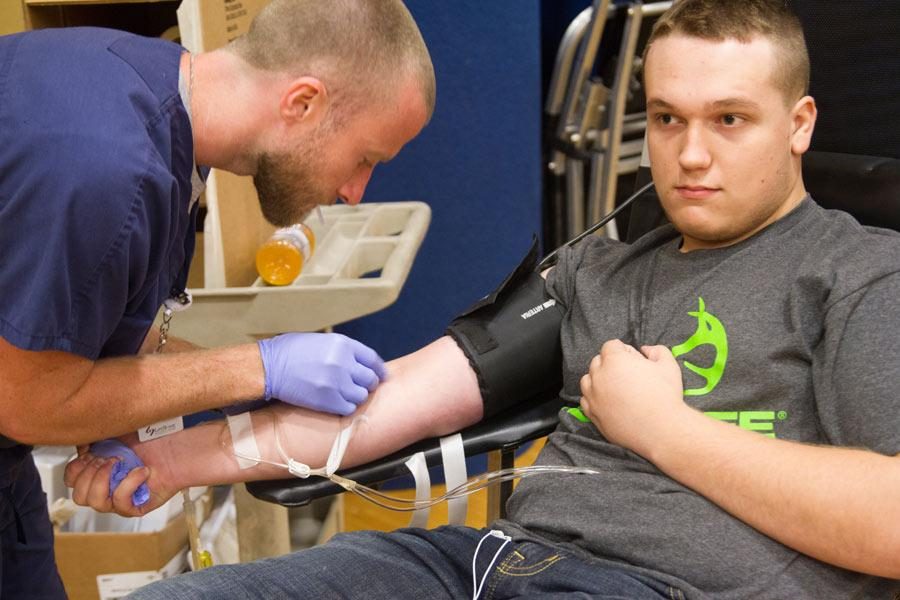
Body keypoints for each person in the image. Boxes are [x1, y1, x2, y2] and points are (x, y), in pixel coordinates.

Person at [68, 0, 900, 597]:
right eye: (667, 119)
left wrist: (666, 431)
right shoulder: (594, 273)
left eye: (729, 120)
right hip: (483, 563)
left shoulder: (856, 275)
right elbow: (389, 403)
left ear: (798, 123)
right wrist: (166, 461)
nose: (688, 155)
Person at [0, 0, 435, 596]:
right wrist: (260, 367)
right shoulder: (111, 169)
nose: (354, 192)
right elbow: (26, 402)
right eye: (365, 158)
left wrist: (119, 415)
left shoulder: (161, 103)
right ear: (303, 103)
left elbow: (95, 324)